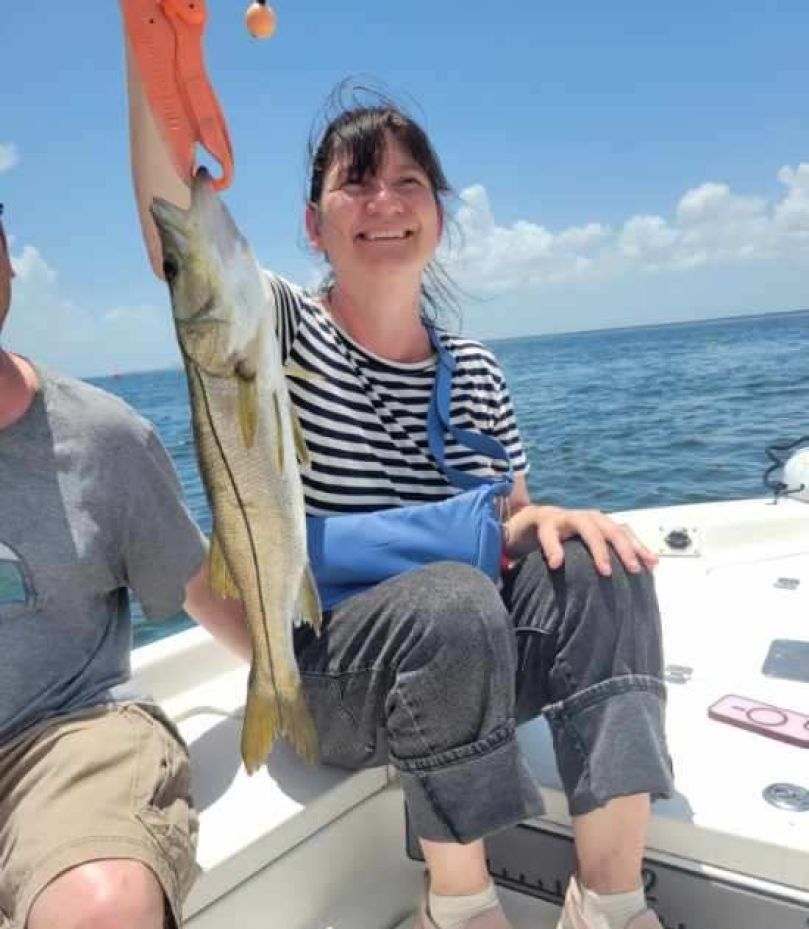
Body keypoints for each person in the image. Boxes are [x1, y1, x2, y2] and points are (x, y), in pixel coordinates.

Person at [127, 60, 675, 929]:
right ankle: (457, 905)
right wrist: (151, 39)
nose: (384, 200)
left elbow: (507, 522)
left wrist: (552, 520)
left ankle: (607, 900)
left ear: (438, 216)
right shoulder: (276, 332)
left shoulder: (477, 370)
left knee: (605, 563)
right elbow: (175, 237)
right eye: (357, 183)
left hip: (476, 666)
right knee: (453, 600)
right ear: (312, 224)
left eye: (407, 182)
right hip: (342, 682)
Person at [0, 201, 252, 929]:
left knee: (100, 909)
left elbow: (200, 587)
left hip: (60, 738)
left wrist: (299, 682)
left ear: (7, 253)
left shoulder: (104, 438)